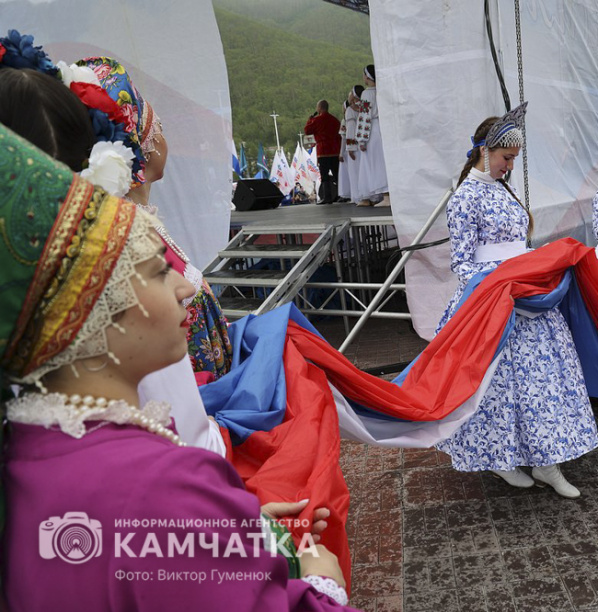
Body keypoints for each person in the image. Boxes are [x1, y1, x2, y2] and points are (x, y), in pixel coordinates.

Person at [0, 121, 356, 610]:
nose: (186, 287)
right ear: (90, 307)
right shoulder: (153, 487)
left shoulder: (30, 451)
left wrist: (230, 538)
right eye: (156, 270)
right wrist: (321, 579)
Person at [434, 103, 598, 499]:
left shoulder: (503, 191)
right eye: (507, 157)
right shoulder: (464, 198)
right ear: (485, 151)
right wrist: (501, 287)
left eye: (513, 159)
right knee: (500, 388)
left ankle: (546, 461)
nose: (510, 165)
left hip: (527, 298)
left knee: (539, 383)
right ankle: (500, 459)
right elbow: (462, 262)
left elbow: (520, 245)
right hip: (493, 303)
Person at [76, 56, 234, 383]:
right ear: (144, 146)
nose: (163, 138)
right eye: (158, 127)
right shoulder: (130, 233)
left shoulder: (124, 222)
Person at [354, 65, 388, 207]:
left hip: (372, 131)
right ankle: (382, 195)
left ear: (367, 77)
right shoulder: (382, 91)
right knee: (382, 162)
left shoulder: (367, 94)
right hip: (383, 128)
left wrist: (361, 138)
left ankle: (386, 196)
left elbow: (364, 116)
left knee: (375, 164)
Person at [304, 99, 342, 205]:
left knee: (324, 175)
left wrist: (310, 120)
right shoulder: (335, 120)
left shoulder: (317, 120)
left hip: (323, 151)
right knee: (337, 175)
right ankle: (342, 195)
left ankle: (327, 197)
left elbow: (307, 131)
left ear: (319, 108)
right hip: (335, 151)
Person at [337, 86, 363, 203]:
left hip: (355, 146)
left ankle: (359, 196)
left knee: (355, 173)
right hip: (364, 143)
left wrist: (350, 147)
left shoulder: (350, 111)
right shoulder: (364, 107)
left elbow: (350, 131)